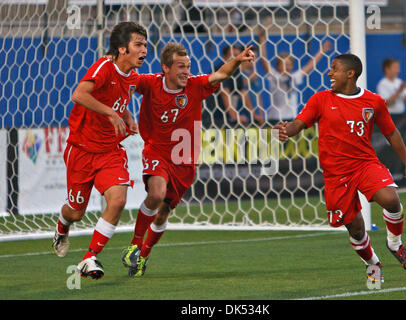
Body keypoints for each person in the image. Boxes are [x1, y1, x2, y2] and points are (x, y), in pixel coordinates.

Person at [274, 54, 406, 284]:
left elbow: (391, 132)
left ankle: (395, 244)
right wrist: (284, 131)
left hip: (365, 164)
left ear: (350, 74)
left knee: (391, 199)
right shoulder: (320, 99)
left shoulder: (373, 102)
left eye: (335, 69)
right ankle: (373, 264)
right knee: (356, 231)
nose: (329, 73)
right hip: (336, 175)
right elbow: (298, 124)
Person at [121, 42, 256, 277]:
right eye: (180, 66)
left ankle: (143, 256)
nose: (186, 71)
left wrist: (237, 60)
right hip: (157, 152)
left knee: (163, 212)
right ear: (166, 68)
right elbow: (122, 85)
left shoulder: (195, 85)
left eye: (188, 66)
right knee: (156, 194)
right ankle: (133, 245)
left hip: (184, 160)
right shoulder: (149, 83)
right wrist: (126, 113)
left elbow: (221, 74)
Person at [52, 22, 148, 280]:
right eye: (138, 45)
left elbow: (118, 98)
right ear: (122, 48)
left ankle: (89, 257)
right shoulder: (104, 66)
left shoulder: (133, 77)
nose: (144, 50)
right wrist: (111, 113)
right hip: (81, 149)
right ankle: (63, 226)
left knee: (117, 200)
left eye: (145, 45)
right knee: (76, 212)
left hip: (110, 150)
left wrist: (126, 116)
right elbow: (78, 94)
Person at [259, 28, 333, 121]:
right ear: (278, 66)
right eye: (284, 64)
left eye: (289, 64)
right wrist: (262, 40)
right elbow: (263, 60)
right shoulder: (275, 77)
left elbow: (310, 66)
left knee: (291, 135)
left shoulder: (294, 77)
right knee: (276, 136)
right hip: (276, 118)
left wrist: (322, 51)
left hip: (292, 117)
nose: (287, 67)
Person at [214, 45, 263, 127]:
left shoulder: (236, 71)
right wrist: (234, 116)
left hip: (227, 117)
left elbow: (243, 93)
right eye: (232, 55)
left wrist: (254, 115)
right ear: (224, 57)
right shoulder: (220, 69)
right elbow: (224, 92)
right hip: (215, 116)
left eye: (237, 55)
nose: (234, 58)